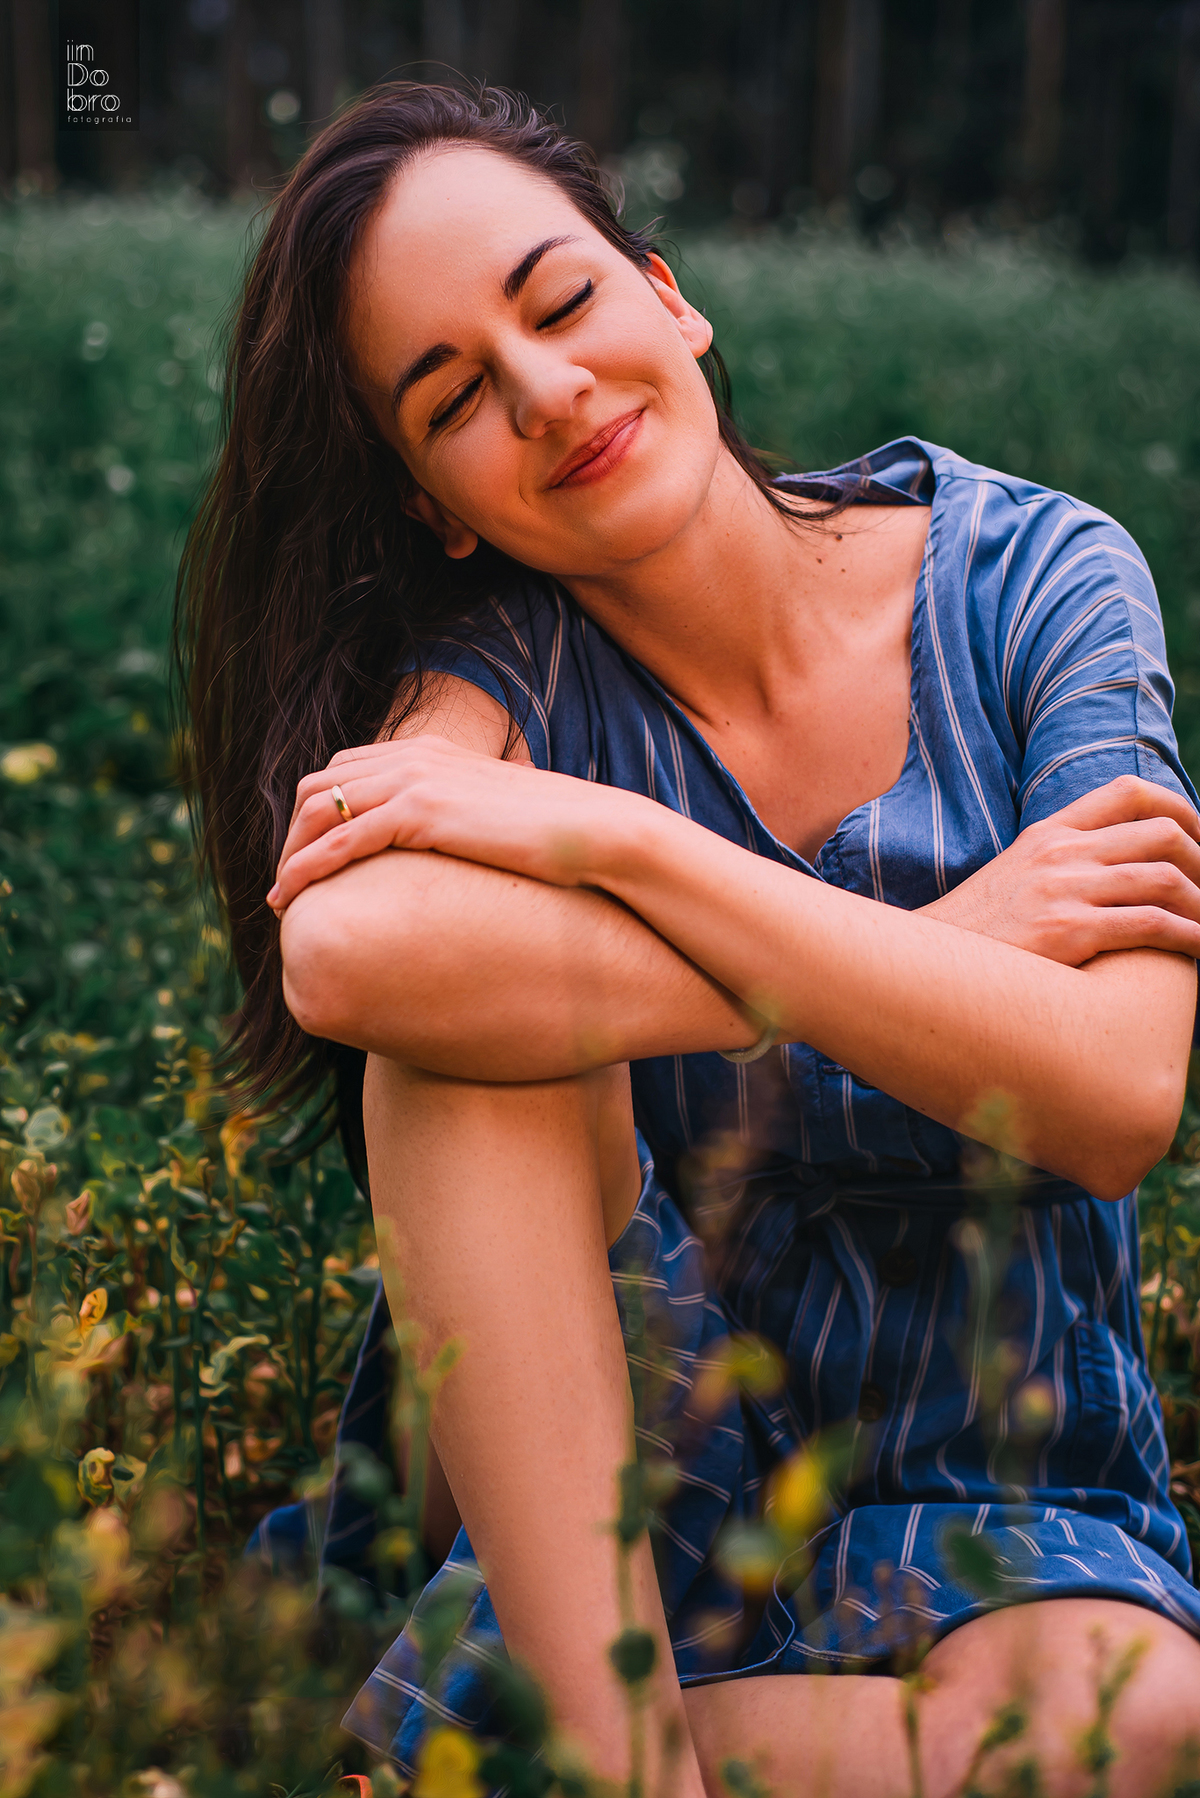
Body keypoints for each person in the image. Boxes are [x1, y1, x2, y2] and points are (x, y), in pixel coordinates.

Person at [179, 82, 1200, 1797]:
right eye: (455, 400)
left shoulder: (1040, 583)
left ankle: (548, 1755)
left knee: (1141, 1731)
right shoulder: (506, 674)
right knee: (457, 1037)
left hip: (1002, 1476)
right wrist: (939, 951)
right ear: (437, 502)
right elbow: (348, 954)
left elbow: (1110, 1091)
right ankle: (628, 1756)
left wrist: (624, 845)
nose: (549, 391)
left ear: (667, 294)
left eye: (561, 301)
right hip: (627, 1469)